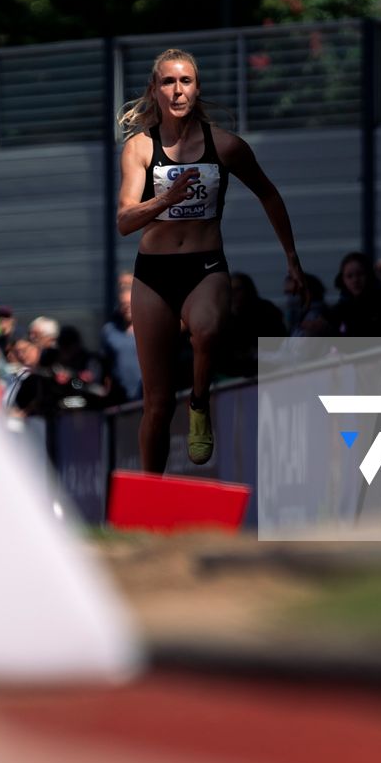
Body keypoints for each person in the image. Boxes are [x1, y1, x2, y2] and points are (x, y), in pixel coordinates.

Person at [116, 48, 302, 472]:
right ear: (154, 90)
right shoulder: (140, 149)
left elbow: (269, 193)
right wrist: (165, 198)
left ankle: (200, 400)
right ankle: (150, 494)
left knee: (208, 329)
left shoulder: (226, 146)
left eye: (185, 81)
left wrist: (291, 258)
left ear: (197, 89)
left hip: (205, 266)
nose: (177, 90)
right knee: (157, 403)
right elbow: (124, 221)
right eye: (168, 82)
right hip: (154, 273)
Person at [99, 273, 143, 402]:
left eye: (129, 305)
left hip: (146, 395)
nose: (127, 309)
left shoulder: (148, 329)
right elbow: (105, 364)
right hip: (120, 398)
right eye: (124, 306)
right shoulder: (109, 331)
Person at [327, 251, 381, 338]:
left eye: (360, 274)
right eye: (349, 276)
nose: (355, 280)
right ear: (343, 279)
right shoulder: (339, 311)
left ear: (369, 275)